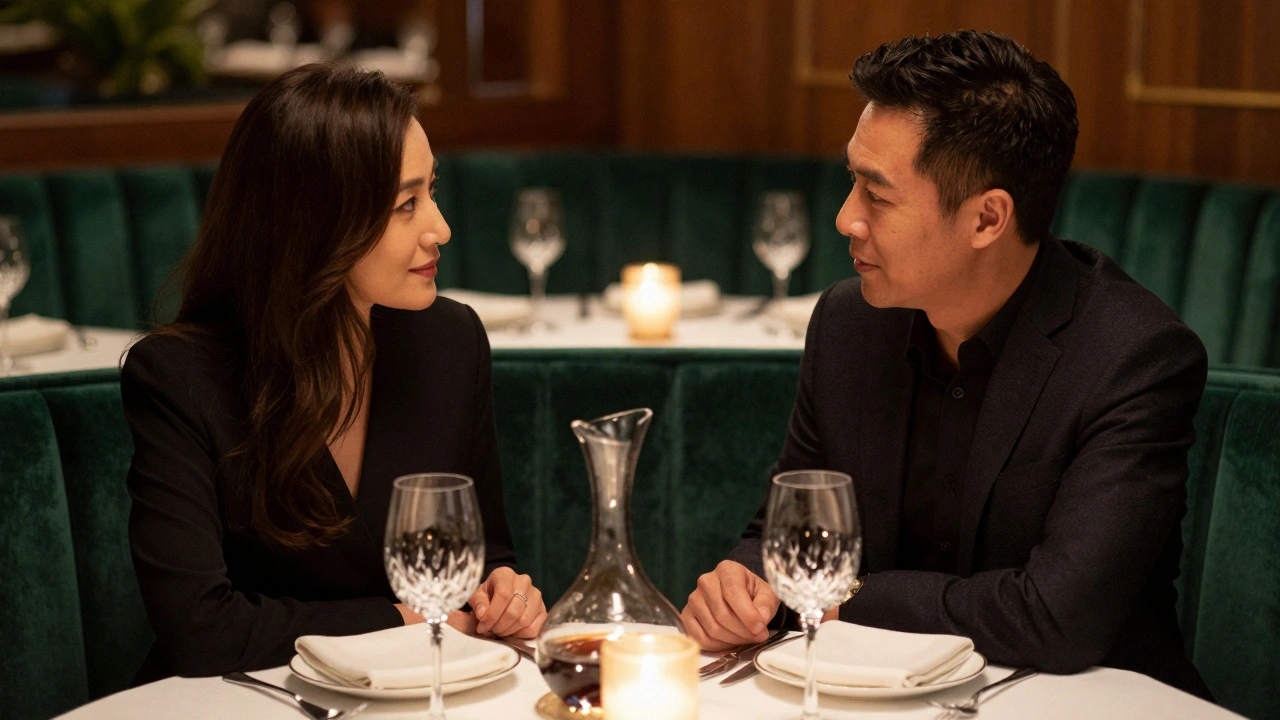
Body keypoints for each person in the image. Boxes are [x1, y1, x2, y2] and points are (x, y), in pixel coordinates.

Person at [682, 31, 1212, 698]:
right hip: (877, 700)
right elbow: (790, 532)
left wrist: (854, 599)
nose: (847, 218)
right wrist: (746, 583)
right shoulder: (850, 326)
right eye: (853, 181)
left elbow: (1056, 617)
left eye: (877, 194)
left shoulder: (1131, 356)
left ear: (987, 218)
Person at [122, 63, 546, 683]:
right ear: (317, 224)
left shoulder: (448, 341)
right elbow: (199, 629)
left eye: (433, 191)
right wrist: (404, 621)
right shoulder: (180, 376)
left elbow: (480, 565)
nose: (441, 229)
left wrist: (504, 596)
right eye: (407, 204)